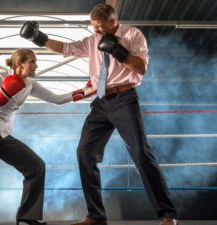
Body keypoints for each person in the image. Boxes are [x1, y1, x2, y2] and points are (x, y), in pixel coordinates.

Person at [20, 3, 178, 225]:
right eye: (94, 27)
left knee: (141, 153)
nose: (97, 32)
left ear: (113, 22)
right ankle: (96, 216)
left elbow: (141, 67)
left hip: (124, 99)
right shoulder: (93, 40)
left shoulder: (133, 34)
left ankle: (168, 215)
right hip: (100, 102)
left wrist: (118, 50)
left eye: (101, 27)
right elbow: (65, 48)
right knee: (85, 153)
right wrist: (39, 38)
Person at [0, 49, 96, 225]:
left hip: (2, 134)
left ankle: (27, 216)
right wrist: (5, 92)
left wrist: (85, 91)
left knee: (36, 166)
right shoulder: (0, 76)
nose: (36, 65)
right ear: (19, 64)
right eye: (32, 61)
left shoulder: (30, 84)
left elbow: (56, 99)